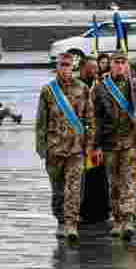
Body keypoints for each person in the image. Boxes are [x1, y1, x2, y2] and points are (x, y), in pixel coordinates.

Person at [35, 52, 95, 242]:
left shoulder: (83, 89)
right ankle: (60, 220)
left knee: (74, 188)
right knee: (58, 189)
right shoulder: (48, 91)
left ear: (73, 67)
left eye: (68, 65)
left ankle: (71, 223)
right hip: (54, 149)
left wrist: (89, 145)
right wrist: (41, 146)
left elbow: (90, 119)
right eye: (62, 65)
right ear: (57, 67)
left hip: (76, 148)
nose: (65, 68)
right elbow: (40, 121)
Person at [93, 52, 136, 240]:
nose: (120, 66)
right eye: (117, 62)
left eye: (123, 62)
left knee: (128, 180)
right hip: (109, 142)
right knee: (113, 183)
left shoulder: (133, 83)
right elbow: (96, 118)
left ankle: (128, 219)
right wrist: (96, 145)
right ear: (111, 65)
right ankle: (117, 219)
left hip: (129, 141)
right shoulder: (101, 88)